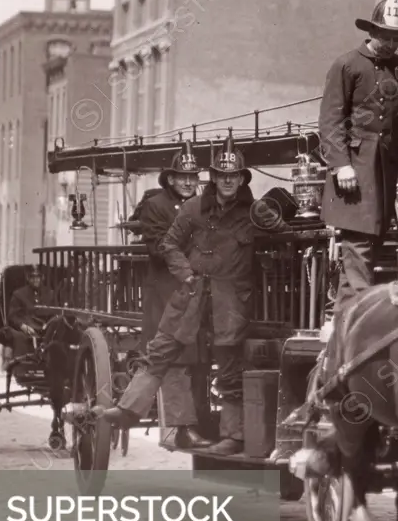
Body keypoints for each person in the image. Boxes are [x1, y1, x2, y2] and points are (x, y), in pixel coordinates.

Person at [98, 136, 290, 456]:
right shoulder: (193, 207)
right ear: (213, 177)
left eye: (234, 175)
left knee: (228, 366)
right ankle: (129, 409)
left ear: (242, 178)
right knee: (160, 349)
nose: (228, 181)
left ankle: (233, 437)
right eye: (221, 175)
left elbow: (281, 234)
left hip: (231, 301)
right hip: (191, 295)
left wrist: (275, 220)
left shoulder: (253, 212)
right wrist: (186, 274)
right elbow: (169, 244)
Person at [317, 0, 398, 341]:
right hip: (355, 168)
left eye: (396, 36)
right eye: (386, 35)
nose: (391, 42)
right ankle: (363, 321)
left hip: (385, 169)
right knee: (359, 245)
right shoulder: (347, 65)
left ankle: (342, 325)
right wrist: (340, 165)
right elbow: (330, 120)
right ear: (373, 31)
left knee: (370, 244)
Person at [119, 144, 212, 450]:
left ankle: (198, 422)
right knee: (175, 358)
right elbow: (160, 247)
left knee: (198, 358)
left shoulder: (203, 205)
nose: (188, 181)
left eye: (192, 176)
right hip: (166, 291)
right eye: (182, 176)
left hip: (195, 291)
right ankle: (180, 428)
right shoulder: (156, 206)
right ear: (170, 179)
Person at [7, 265, 56, 360]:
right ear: (28, 278)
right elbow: (12, 316)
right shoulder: (18, 294)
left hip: (47, 329)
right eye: (32, 277)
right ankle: (22, 363)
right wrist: (23, 326)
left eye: (38, 277)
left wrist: (49, 326)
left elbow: (55, 314)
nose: (35, 280)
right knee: (19, 338)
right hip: (27, 329)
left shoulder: (50, 294)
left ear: (42, 278)